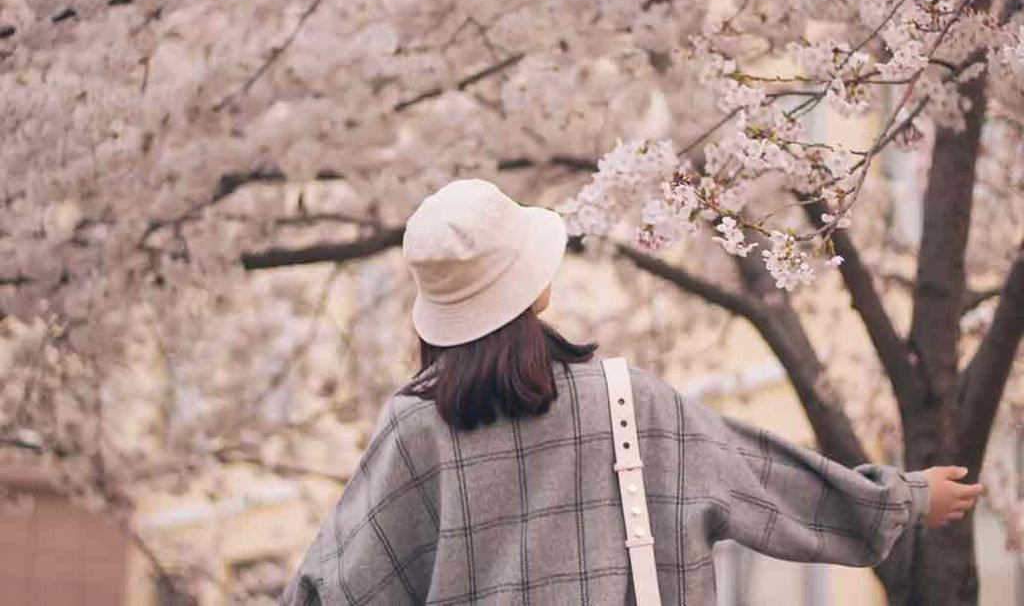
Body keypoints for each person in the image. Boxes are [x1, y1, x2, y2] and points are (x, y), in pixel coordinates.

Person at [280, 179, 982, 605]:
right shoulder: (626, 404)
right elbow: (769, 480)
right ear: (537, 286)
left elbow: (330, 585)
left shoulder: (412, 432)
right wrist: (906, 497)